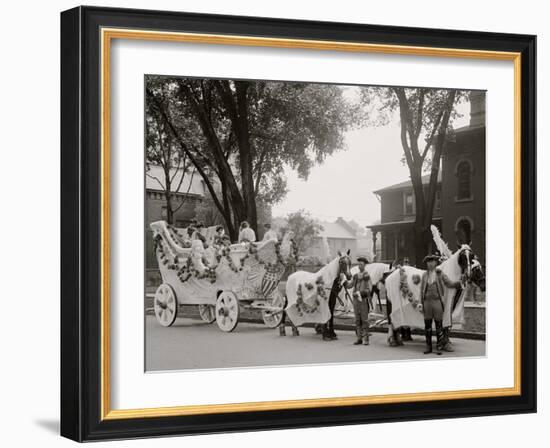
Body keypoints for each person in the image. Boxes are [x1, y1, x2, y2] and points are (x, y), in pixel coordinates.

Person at [420, 253, 462, 354]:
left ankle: (439, 346)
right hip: (427, 303)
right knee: (428, 325)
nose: (430, 264)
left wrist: (459, 283)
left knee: (439, 325)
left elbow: (449, 283)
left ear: (436, 263)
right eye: (428, 262)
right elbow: (421, 290)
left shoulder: (440, 274)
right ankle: (428, 346)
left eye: (432, 262)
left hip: (437, 302)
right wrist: (420, 302)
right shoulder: (424, 275)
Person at [348, 256, 373, 346]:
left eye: (361, 264)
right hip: (355, 301)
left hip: (363, 301)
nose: (359, 266)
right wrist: (343, 281)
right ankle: (359, 338)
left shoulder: (367, 276)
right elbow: (349, 285)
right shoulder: (355, 276)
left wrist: (360, 293)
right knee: (357, 320)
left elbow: (369, 289)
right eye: (358, 264)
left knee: (365, 320)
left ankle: (366, 339)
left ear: (365, 265)